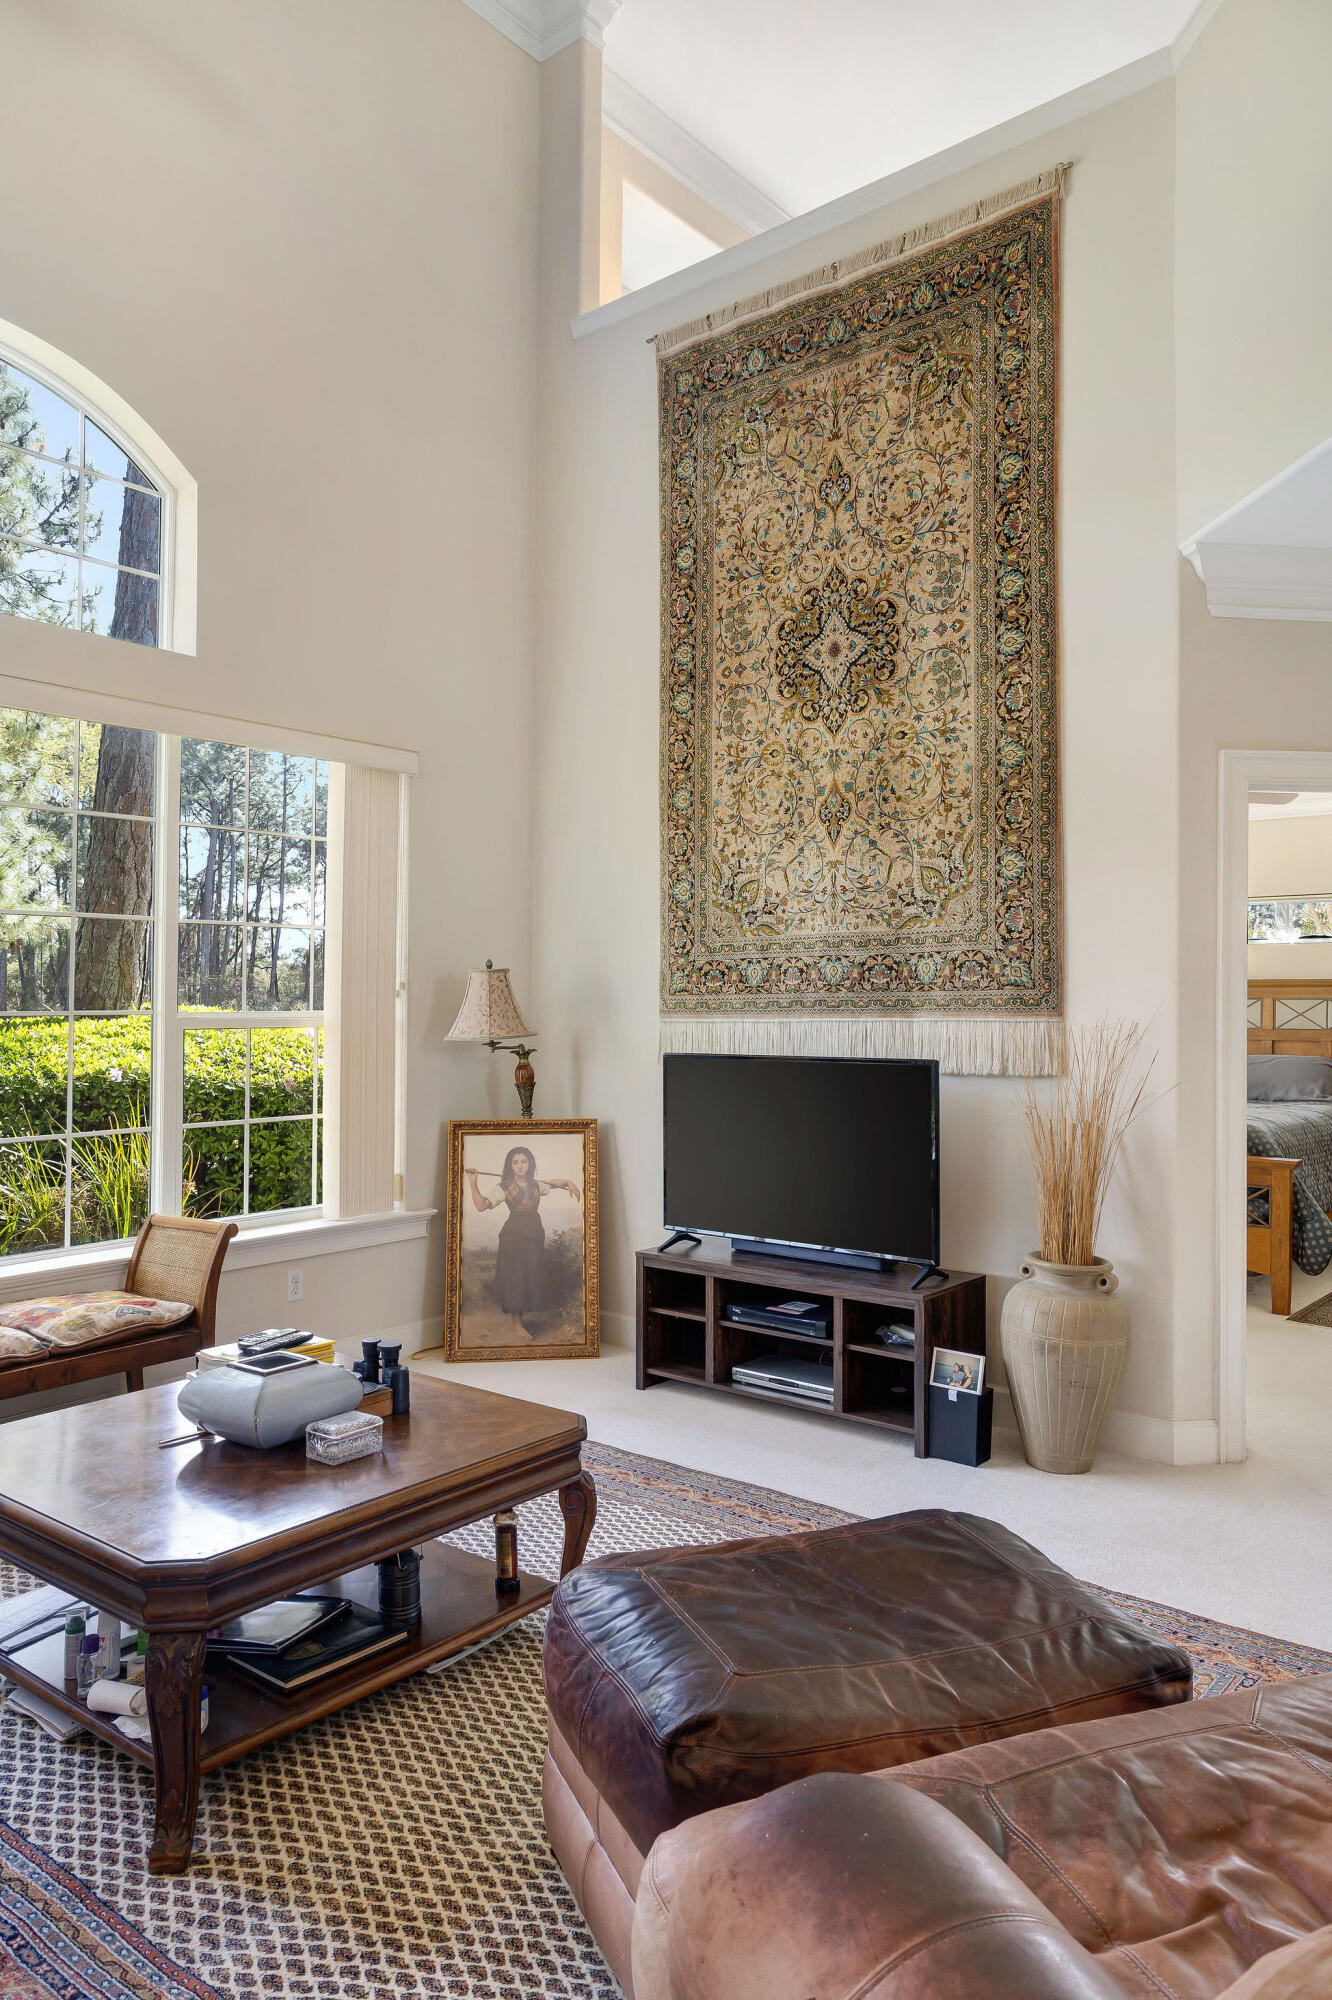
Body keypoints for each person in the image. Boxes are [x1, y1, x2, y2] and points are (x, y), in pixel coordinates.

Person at [465, 1146, 581, 1339]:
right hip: (513, 1238)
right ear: (510, 1165)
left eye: (524, 1161)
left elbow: (553, 1183)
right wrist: (473, 1183)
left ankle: (521, 1322)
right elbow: (481, 1206)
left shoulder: (537, 1184)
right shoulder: (504, 1187)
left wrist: (569, 1182)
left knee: (529, 1277)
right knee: (515, 1279)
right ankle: (516, 1324)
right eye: (516, 1162)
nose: (520, 1165)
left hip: (534, 1236)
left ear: (530, 1164)